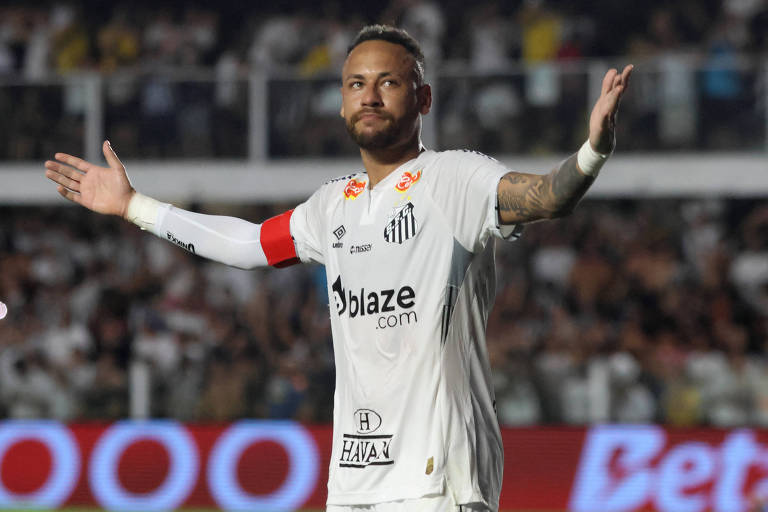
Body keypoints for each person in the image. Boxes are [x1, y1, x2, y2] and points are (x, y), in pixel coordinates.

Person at [45, 24, 632, 512]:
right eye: (356, 84)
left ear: (423, 99)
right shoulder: (332, 206)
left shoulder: (453, 179)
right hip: (354, 483)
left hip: (439, 481)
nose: (369, 96)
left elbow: (547, 196)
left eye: (388, 83)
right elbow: (248, 244)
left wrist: (592, 152)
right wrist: (134, 206)